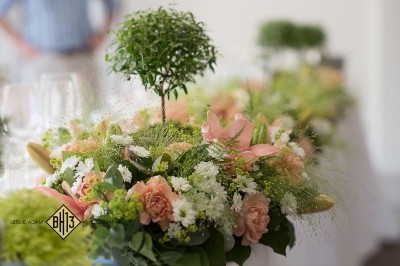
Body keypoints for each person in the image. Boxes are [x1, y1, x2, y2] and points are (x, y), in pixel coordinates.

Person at [0, 0, 117, 111]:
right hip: (44, 61)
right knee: (45, 118)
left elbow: (112, 4)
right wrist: (21, 45)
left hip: (81, 58)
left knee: (90, 118)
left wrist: (101, 35)